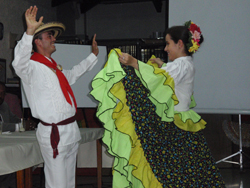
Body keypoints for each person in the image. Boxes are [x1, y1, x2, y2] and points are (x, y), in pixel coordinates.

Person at [90, 21, 225, 187]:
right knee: (185, 173)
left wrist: (134, 63)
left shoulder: (181, 65)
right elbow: (166, 75)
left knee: (175, 173)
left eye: (168, 44)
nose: (166, 48)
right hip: (179, 125)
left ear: (180, 44)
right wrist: (163, 65)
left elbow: (158, 79)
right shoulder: (184, 64)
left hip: (177, 128)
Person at [12, 6, 99, 188]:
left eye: (53, 36)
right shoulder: (32, 67)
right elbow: (18, 63)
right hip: (54, 133)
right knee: (57, 184)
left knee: (68, 183)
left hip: (69, 131)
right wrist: (29, 31)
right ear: (37, 42)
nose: (54, 39)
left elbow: (73, 74)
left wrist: (92, 57)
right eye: (49, 36)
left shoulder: (53, 67)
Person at [0, 81, 19, 188]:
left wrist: (24, 122)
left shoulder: (4, 105)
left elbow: (14, 119)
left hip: (5, 146)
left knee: (16, 162)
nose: (0, 96)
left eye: (3, 93)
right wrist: (19, 127)